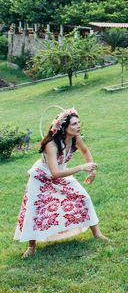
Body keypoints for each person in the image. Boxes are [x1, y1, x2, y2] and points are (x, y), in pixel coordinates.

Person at [15, 108, 107, 258]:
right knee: (35, 209)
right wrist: (81, 167)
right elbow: (55, 173)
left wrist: (92, 170)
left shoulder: (76, 138)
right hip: (41, 177)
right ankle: (31, 247)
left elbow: (85, 151)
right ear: (63, 128)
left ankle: (97, 234)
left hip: (62, 173)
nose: (78, 126)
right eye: (74, 124)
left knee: (83, 197)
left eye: (78, 123)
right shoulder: (51, 145)